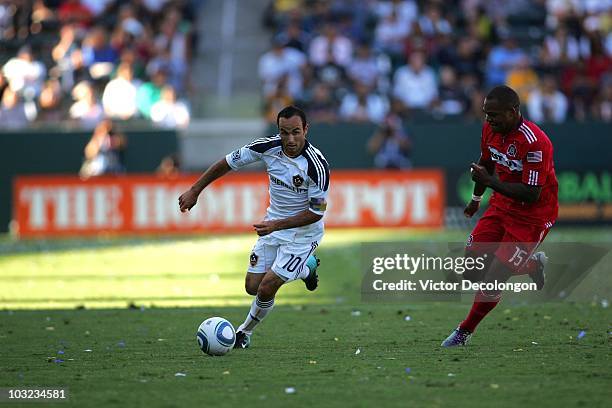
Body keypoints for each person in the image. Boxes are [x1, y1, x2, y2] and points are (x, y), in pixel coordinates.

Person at [178, 105, 329, 349]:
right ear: (278, 131)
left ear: (306, 130)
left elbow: (315, 213)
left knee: (268, 287)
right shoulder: (266, 148)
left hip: (303, 234)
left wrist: (275, 225)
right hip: (273, 226)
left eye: (296, 132)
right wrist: (195, 190)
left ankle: (244, 332)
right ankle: (305, 269)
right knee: (252, 287)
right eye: (284, 132)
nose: (290, 139)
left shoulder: (317, 167)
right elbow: (227, 163)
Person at [441, 85, 558, 347]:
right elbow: (486, 164)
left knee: (494, 276)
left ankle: (463, 332)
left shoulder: (536, 142)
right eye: (486, 114)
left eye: (494, 115)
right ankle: (532, 265)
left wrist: (489, 182)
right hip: (501, 206)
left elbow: (531, 194)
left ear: (513, 111)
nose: (489, 120)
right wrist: (475, 198)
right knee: (471, 272)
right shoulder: (490, 130)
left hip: (532, 217)